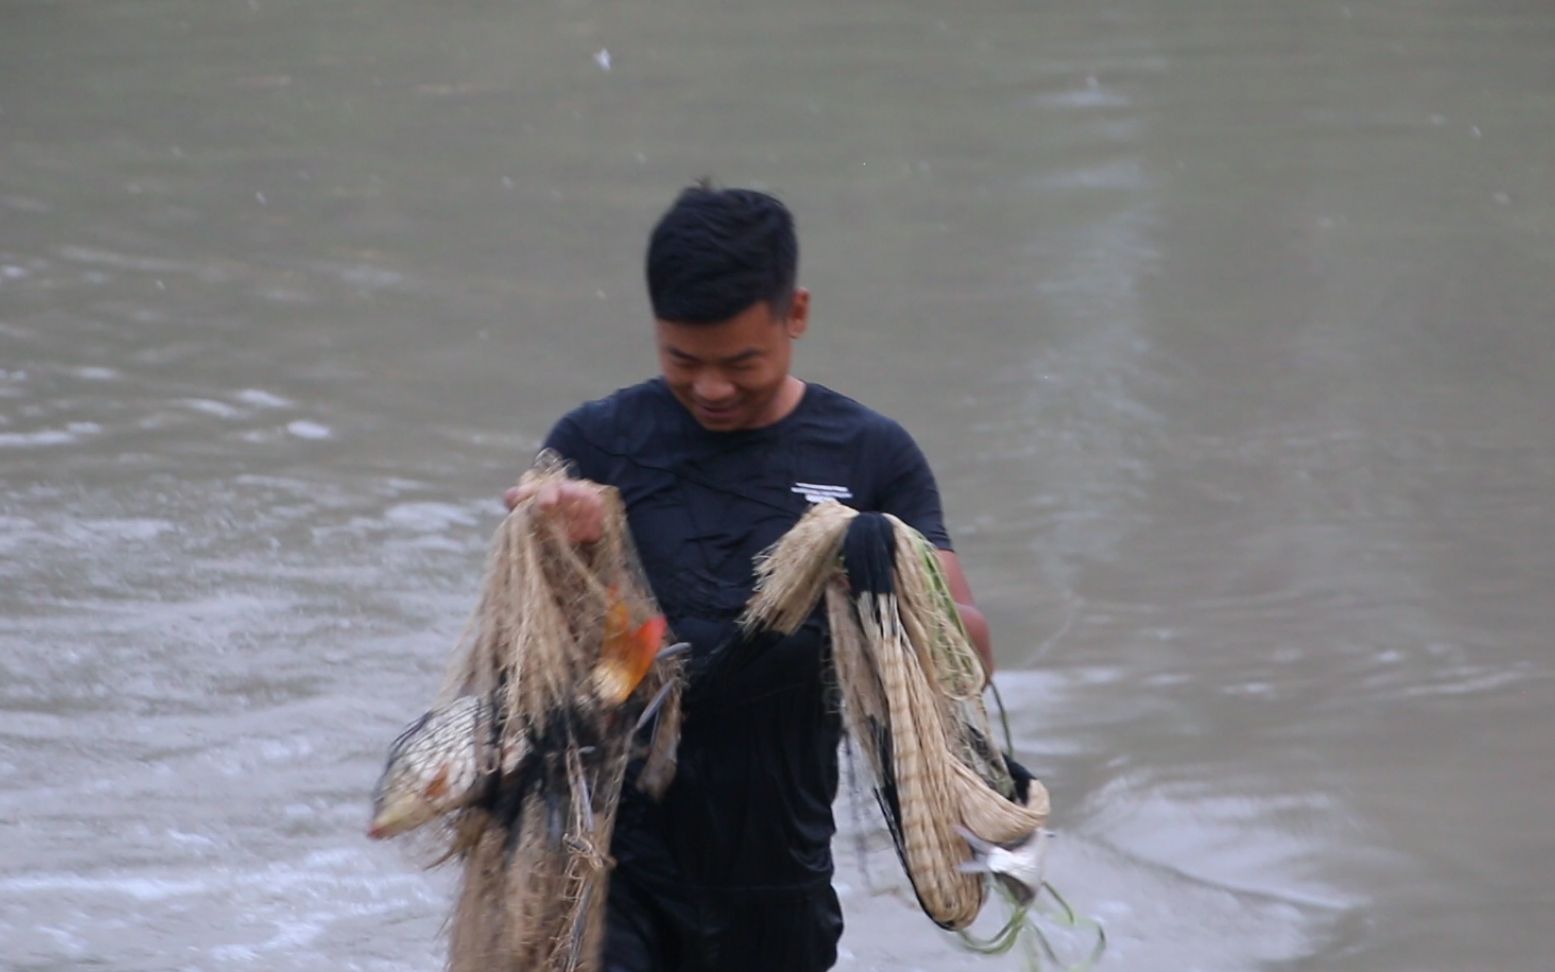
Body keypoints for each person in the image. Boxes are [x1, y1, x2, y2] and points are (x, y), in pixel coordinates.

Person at [504, 184, 992, 972]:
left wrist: (880, 574)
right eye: (682, 361)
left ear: (794, 314)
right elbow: (572, 677)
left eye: (742, 363)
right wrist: (574, 557)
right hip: (610, 861)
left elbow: (970, 662)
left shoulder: (867, 457)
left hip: (780, 874)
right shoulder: (597, 448)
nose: (711, 389)